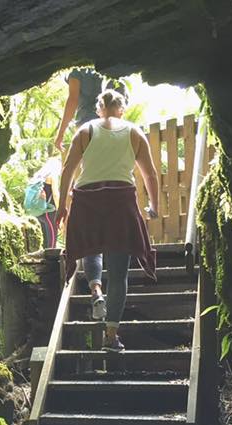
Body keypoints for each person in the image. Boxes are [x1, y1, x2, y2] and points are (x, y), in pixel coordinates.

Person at [55, 89, 160, 351]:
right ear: (121, 109)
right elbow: (150, 175)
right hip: (120, 198)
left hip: (88, 197)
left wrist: (61, 207)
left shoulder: (86, 130)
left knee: (92, 247)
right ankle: (111, 336)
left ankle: (95, 291)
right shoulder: (134, 133)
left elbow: (68, 170)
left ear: (99, 108)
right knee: (119, 270)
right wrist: (153, 206)